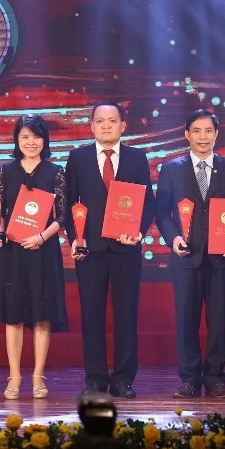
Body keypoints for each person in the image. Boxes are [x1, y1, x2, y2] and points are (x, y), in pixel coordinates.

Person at [64, 100, 155, 399]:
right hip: (90, 250)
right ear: (91, 125)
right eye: (100, 121)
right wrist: (74, 237)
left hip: (126, 250)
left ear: (123, 126)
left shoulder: (137, 158)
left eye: (112, 121)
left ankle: (123, 379)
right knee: (92, 316)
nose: (106, 126)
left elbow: (147, 202)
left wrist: (139, 232)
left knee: (126, 316)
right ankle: (95, 379)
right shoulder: (77, 158)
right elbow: (68, 203)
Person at [155, 109, 225, 399]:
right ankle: (190, 379)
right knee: (186, 320)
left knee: (219, 321)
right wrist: (173, 237)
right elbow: (162, 212)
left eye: (208, 131)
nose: (202, 137)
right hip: (185, 257)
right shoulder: (171, 169)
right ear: (186, 134)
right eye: (196, 131)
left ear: (216, 134)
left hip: (221, 258)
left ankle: (216, 378)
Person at [0, 114, 69, 400]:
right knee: (13, 316)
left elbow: (63, 216)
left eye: (36, 136)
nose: (31, 142)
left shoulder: (55, 172)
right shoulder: (5, 171)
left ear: (44, 139)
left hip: (43, 251)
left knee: (42, 316)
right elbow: (0, 210)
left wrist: (42, 237)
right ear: (16, 139)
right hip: (12, 251)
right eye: (24, 136)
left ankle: (38, 376)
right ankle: (14, 376)